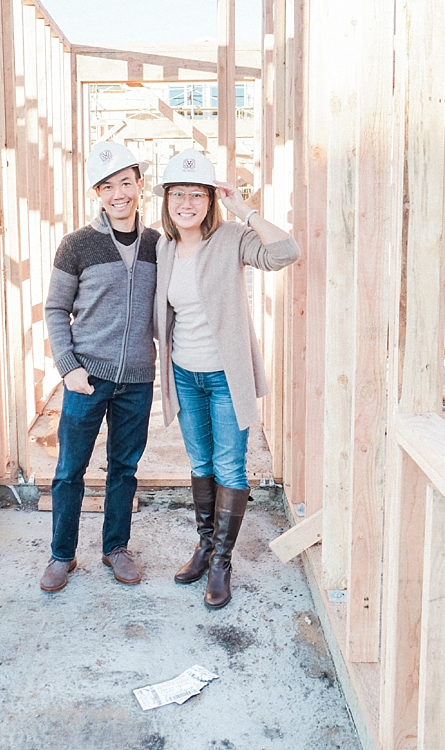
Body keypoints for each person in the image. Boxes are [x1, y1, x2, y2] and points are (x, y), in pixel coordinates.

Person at [153, 148, 300, 609]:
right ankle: (203, 546)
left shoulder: (233, 236)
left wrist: (245, 208)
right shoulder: (163, 246)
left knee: (230, 466)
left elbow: (285, 252)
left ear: (210, 200)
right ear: (167, 200)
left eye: (197, 194)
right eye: (179, 194)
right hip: (184, 374)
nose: (187, 203)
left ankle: (222, 562)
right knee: (200, 464)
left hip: (223, 377)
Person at [41, 141, 159, 593]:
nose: (118, 194)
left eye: (126, 183)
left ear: (139, 186)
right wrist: (68, 367)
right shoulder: (78, 245)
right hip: (86, 377)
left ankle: (116, 548)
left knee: (123, 469)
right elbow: (55, 308)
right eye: (108, 186)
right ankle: (61, 555)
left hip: (136, 380)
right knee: (70, 469)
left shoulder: (156, 244)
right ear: (97, 193)